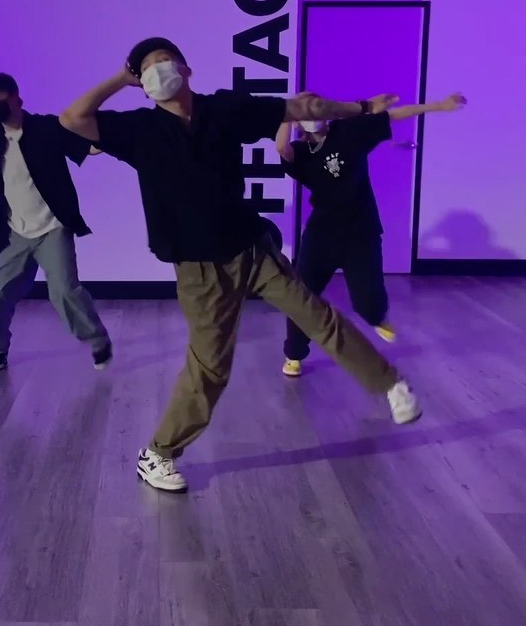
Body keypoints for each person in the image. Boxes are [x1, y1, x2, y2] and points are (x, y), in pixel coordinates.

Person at [59, 37, 420, 493]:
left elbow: (301, 107)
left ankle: (390, 384)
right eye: (147, 68)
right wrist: (120, 78)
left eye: (164, 60)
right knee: (211, 367)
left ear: (186, 69)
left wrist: (361, 107)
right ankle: (158, 453)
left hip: (254, 250)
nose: (157, 70)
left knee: (318, 316)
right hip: (201, 270)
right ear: (142, 82)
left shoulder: (224, 110)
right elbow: (72, 119)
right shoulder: (139, 130)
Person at [277, 93, 467, 378]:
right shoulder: (300, 151)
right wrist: (286, 115)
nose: (312, 117)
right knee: (303, 295)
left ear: (328, 112)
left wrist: (439, 106)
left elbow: (394, 115)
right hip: (321, 234)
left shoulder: (348, 132)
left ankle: (377, 316)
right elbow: (282, 148)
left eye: (317, 109)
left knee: (367, 299)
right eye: (303, 112)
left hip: (360, 231)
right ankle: (294, 353)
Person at [0, 72, 111, 372]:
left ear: (18, 100)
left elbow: (90, 148)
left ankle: (97, 341)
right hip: (13, 231)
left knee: (64, 290)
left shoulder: (47, 128)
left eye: (0, 102)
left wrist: (112, 136)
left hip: (53, 227)